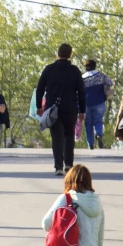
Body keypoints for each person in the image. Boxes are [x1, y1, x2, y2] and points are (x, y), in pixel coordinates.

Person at [36, 43, 86, 176]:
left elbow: (40, 88)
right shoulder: (75, 70)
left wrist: (38, 106)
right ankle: (68, 164)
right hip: (70, 108)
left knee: (56, 137)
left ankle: (58, 166)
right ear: (70, 55)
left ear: (57, 54)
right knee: (69, 135)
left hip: (53, 108)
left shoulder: (49, 69)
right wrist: (82, 110)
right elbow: (81, 91)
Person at [82, 60, 113, 149]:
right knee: (98, 120)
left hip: (86, 103)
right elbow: (110, 83)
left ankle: (90, 144)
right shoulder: (101, 75)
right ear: (95, 66)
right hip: (99, 102)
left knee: (88, 124)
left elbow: (78, 91)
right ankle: (99, 134)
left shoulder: (82, 78)